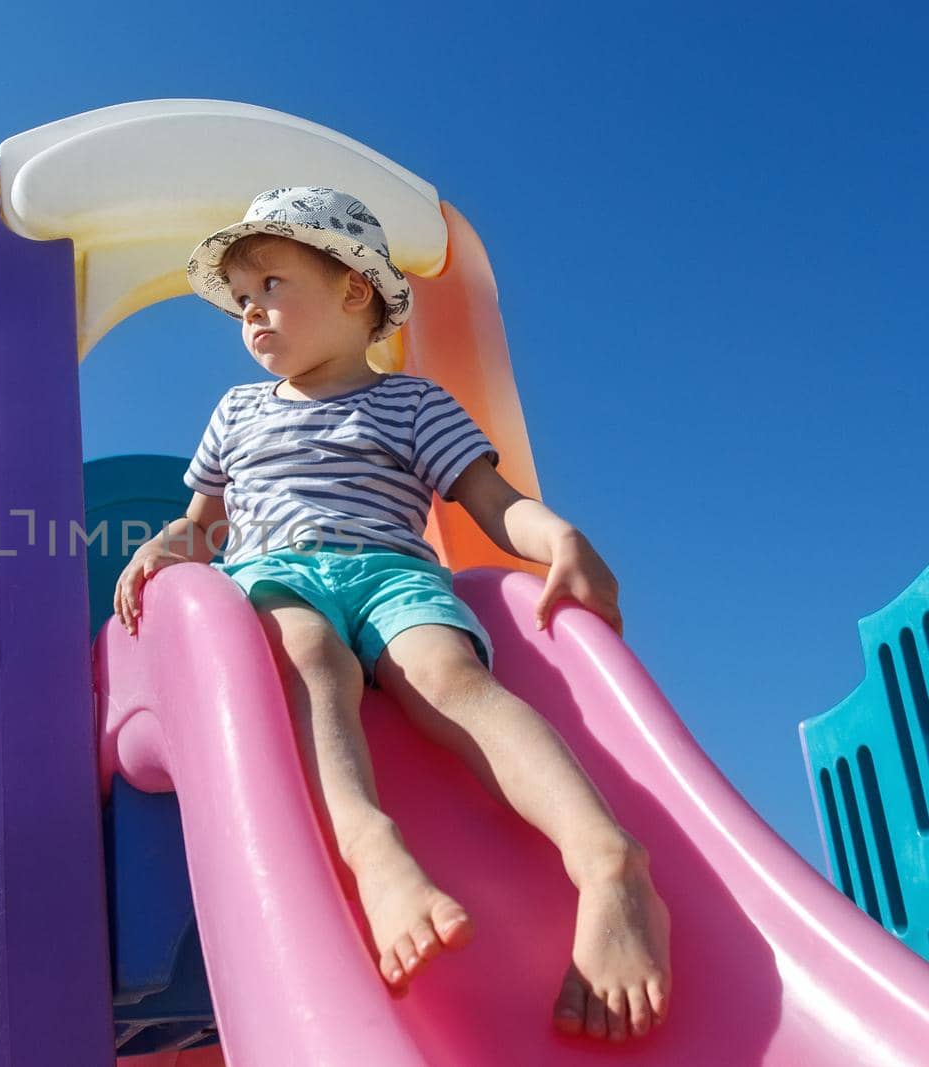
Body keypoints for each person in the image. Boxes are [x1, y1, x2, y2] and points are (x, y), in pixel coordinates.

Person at [111, 187, 672, 1042]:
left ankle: (609, 859)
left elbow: (489, 498)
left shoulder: (413, 404)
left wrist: (557, 534)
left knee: (452, 680)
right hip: (276, 574)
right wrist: (169, 543)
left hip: (394, 573)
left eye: (270, 283)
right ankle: (375, 849)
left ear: (354, 291)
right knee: (306, 659)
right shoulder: (237, 412)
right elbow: (203, 521)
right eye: (241, 298)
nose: (251, 311)